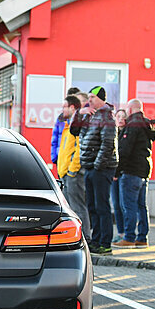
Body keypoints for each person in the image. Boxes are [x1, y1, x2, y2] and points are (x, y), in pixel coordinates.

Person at [114, 99, 155, 248]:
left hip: (131, 170)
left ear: (131, 109)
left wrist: (117, 170)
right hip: (144, 171)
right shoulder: (146, 124)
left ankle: (129, 237)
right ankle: (142, 237)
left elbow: (125, 151)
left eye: (127, 109)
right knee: (141, 206)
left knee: (129, 206)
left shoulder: (133, 125)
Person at [78, 86, 118, 255]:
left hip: (101, 168)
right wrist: (81, 113)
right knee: (92, 206)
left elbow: (108, 144)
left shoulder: (107, 116)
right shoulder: (91, 115)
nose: (90, 101)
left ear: (101, 99)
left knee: (102, 206)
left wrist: (97, 165)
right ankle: (96, 240)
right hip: (90, 166)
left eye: (92, 97)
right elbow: (76, 131)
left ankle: (105, 243)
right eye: (88, 97)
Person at [57, 95, 91, 243]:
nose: (62, 109)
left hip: (73, 173)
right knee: (69, 208)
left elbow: (79, 150)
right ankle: (73, 237)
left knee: (78, 206)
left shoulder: (77, 127)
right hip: (65, 173)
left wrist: (72, 169)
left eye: (64, 106)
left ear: (72, 108)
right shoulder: (67, 126)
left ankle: (84, 238)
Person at [51, 87, 81, 167]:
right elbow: (55, 137)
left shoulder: (80, 119)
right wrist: (54, 156)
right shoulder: (61, 118)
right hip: (60, 158)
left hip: (70, 159)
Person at [110, 109, 127, 244]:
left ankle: (126, 233)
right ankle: (120, 233)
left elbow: (124, 155)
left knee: (123, 205)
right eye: (118, 116)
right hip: (112, 174)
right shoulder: (112, 133)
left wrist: (117, 172)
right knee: (115, 205)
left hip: (121, 174)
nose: (121, 119)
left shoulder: (127, 134)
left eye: (123, 116)